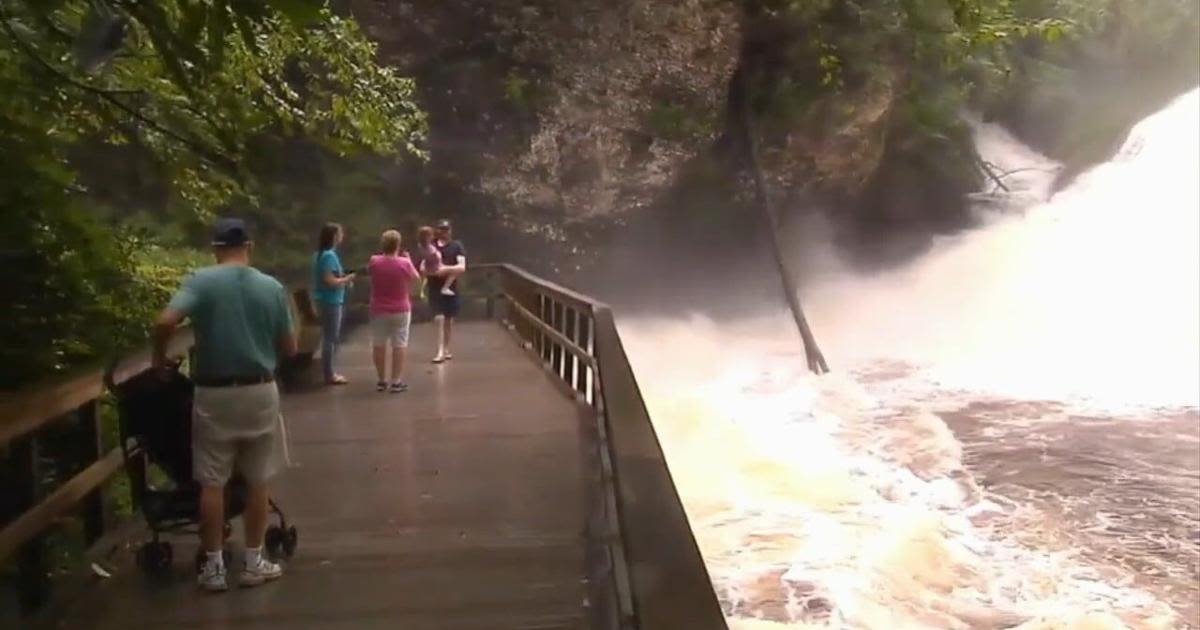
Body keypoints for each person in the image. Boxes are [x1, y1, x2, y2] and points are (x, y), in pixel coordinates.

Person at [152, 218, 296, 592]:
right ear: (249, 247)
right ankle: (253, 562)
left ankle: (214, 568)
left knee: (212, 482)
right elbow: (291, 347)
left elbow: (165, 321)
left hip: (213, 392)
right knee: (256, 478)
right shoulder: (272, 287)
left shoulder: (201, 281)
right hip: (259, 390)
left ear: (216, 249)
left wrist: (158, 359)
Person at [367, 230, 420, 392]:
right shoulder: (404, 263)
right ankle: (396, 381)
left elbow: (371, 274)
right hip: (401, 308)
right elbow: (417, 279)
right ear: (398, 244)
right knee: (400, 343)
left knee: (379, 343)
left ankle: (381, 380)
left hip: (379, 308)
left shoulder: (374, 261)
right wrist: (409, 260)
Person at [313, 223, 355, 385]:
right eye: (340, 233)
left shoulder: (320, 254)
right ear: (334, 236)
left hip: (325, 299)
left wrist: (342, 278)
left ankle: (329, 371)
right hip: (330, 300)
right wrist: (347, 279)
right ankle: (329, 374)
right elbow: (329, 280)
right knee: (331, 338)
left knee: (330, 337)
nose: (342, 236)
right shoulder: (329, 256)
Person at [423, 219, 467, 363]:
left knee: (448, 320)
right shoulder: (431, 247)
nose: (444, 232)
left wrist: (446, 269)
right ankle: (440, 351)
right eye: (441, 229)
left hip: (451, 287)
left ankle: (446, 348)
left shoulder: (457, 246)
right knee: (439, 319)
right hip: (434, 287)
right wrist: (435, 272)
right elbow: (423, 267)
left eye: (446, 229)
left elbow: (462, 267)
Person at [415, 226, 462, 296]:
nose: (433, 237)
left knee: (425, 277)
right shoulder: (431, 249)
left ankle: (421, 290)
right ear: (428, 237)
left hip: (428, 267)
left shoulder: (420, 246)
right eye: (431, 235)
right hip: (436, 268)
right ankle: (445, 288)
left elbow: (425, 257)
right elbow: (435, 259)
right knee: (455, 271)